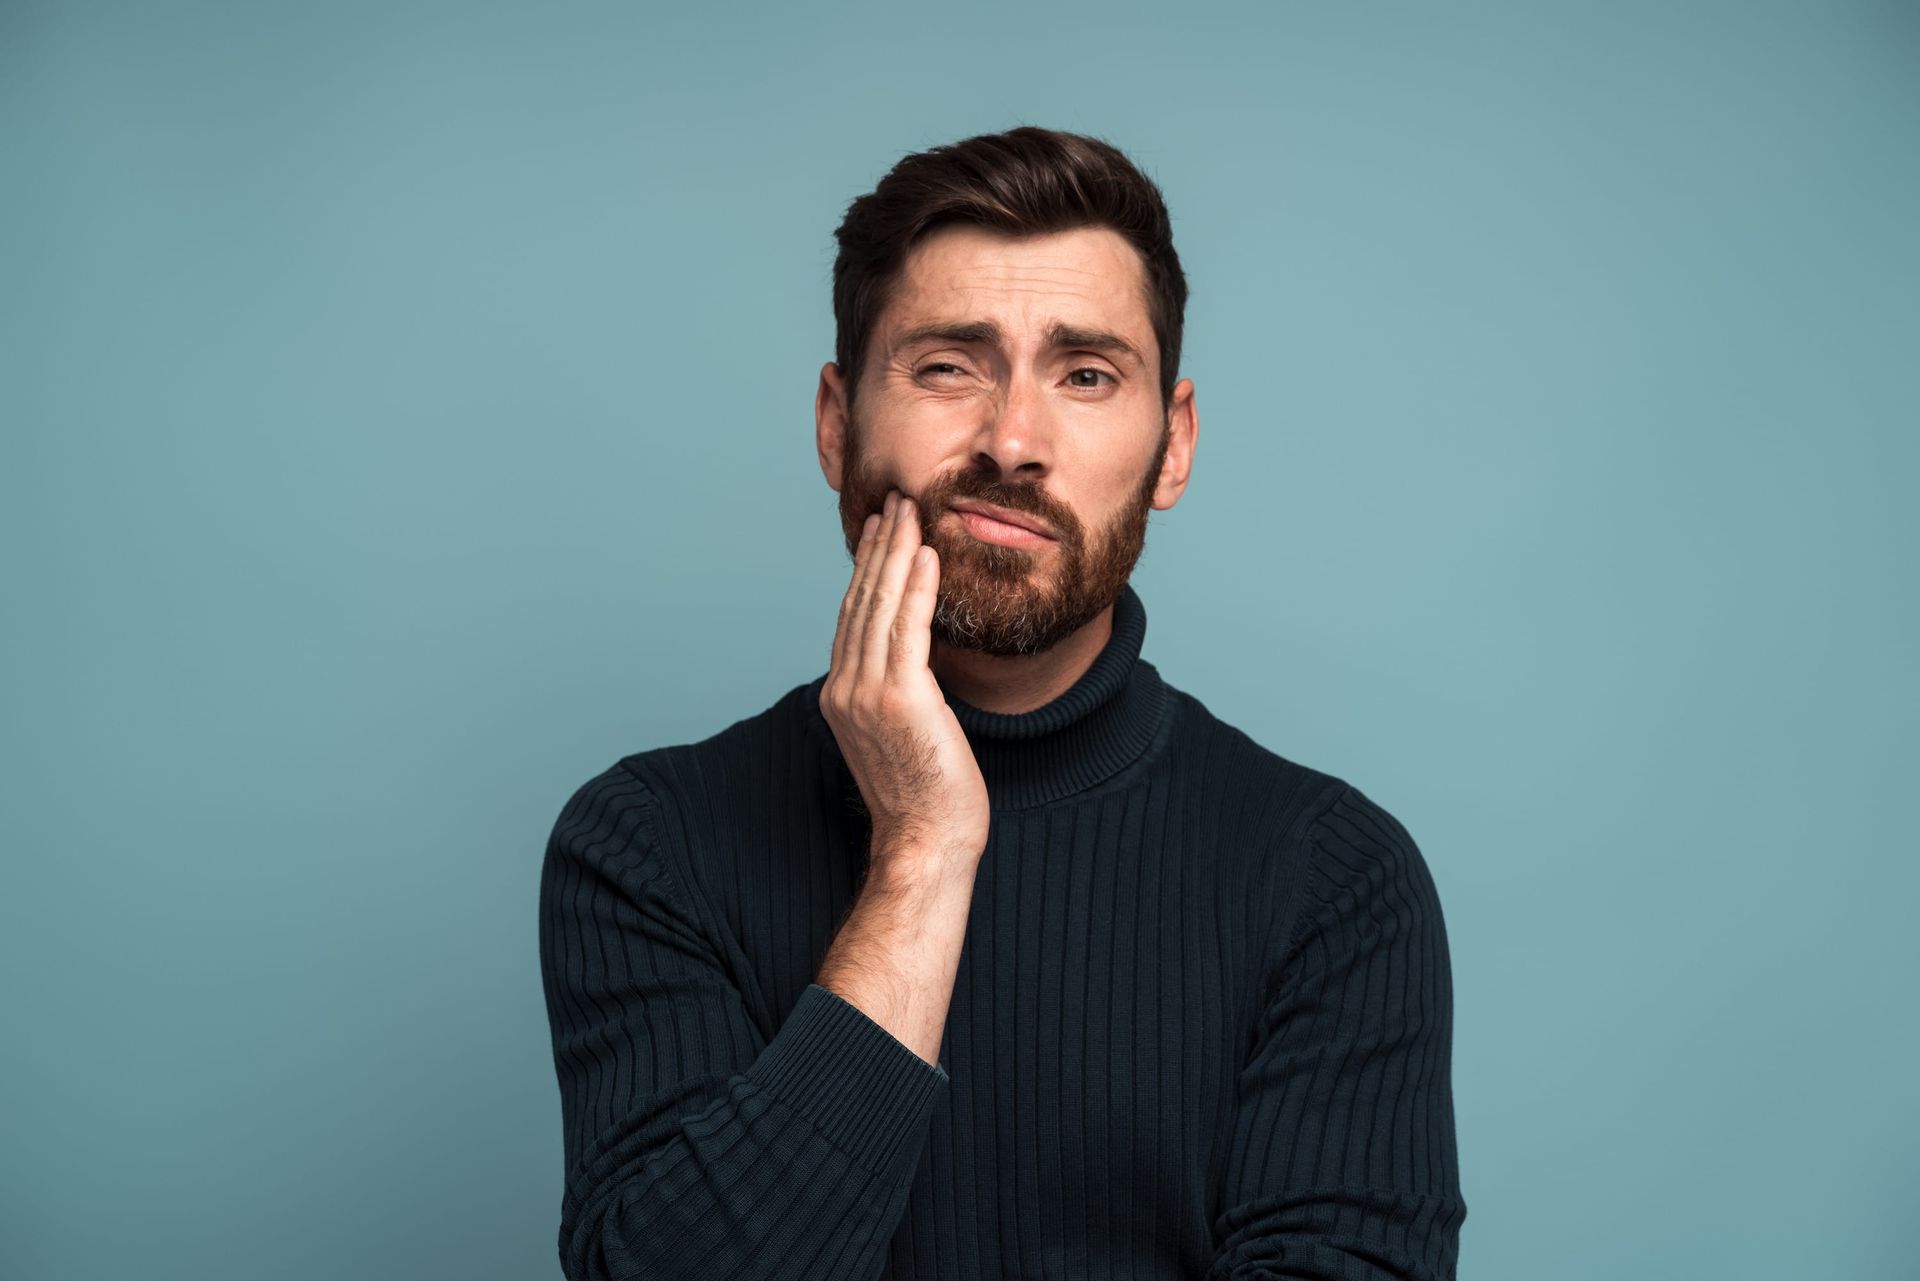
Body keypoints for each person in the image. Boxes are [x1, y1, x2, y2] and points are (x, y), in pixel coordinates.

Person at [538, 125, 1466, 1281]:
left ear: (1171, 448)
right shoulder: (648, 844)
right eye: (949, 366)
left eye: (1086, 375)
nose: (1013, 442)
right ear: (837, 424)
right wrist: (925, 851)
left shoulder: (1333, 882)